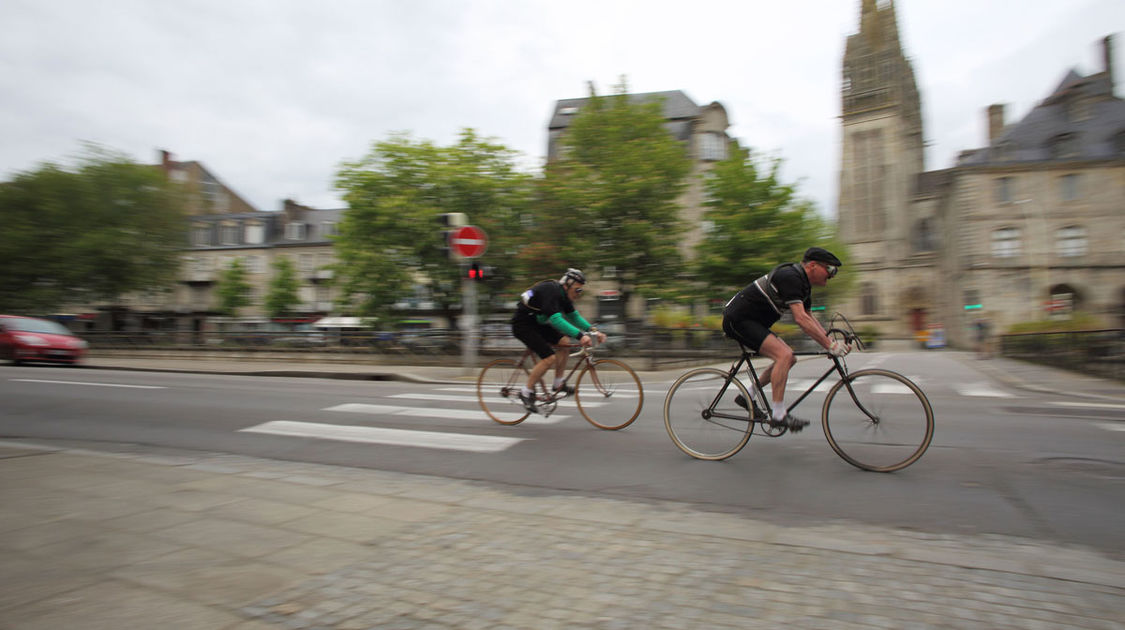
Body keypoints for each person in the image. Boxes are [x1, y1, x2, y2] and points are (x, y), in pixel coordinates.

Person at [721, 247, 850, 432]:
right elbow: (801, 320)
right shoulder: (791, 277)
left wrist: (831, 341)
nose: (832, 275)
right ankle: (778, 414)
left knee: (790, 358)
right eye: (830, 270)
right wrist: (830, 345)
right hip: (739, 320)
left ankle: (747, 395)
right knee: (784, 355)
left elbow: (810, 317)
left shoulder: (803, 286)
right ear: (813, 265)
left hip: (754, 323)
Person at [511, 268, 607, 413]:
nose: (579, 294)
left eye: (581, 291)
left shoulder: (565, 296)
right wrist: (581, 336)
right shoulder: (552, 291)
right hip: (522, 324)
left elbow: (574, 317)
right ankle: (525, 392)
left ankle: (558, 383)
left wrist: (593, 331)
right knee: (549, 358)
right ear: (568, 284)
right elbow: (556, 320)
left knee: (564, 342)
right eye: (577, 290)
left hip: (537, 323)